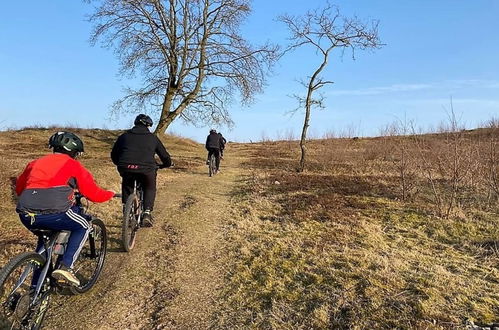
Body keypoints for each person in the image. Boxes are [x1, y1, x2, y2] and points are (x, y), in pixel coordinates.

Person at [16, 131, 116, 286]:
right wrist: (110, 194)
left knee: (44, 245)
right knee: (83, 226)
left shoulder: (34, 163)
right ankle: (66, 266)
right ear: (74, 152)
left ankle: (36, 289)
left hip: (26, 213)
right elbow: (94, 194)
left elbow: (19, 188)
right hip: (56, 212)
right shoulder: (73, 165)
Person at [111, 114, 172, 227]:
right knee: (149, 187)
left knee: (127, 184)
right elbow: (164, 156)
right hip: (146, 169)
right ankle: (147, 213)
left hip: (126, 167)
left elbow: (114, 154)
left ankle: (126, 208)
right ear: (148, 126)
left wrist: (119, 163)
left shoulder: (124, 136)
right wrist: (166, 164)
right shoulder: (152, 138)